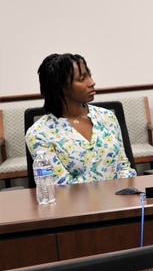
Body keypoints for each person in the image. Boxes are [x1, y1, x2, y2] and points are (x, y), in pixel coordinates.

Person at [25, 53, 136, 184]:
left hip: (121, 199)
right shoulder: (39, 134)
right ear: (61, 87)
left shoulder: (107, 117)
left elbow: (124, 167)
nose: (92, 82)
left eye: (90, 75)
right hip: (75, 204)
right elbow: (60, 185)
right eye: (82, 78)